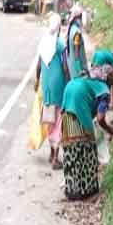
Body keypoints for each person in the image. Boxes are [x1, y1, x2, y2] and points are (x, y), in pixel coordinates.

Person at [60, 74, 113, 200]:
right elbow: (101, 118)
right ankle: (88, 191)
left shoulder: (89, 80)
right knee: (88, 152)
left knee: (71, 152)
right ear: (109, 83)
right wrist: (110, 130)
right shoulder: (105, 92)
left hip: (66, 111)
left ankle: (72, 192)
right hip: (79, 110)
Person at [34, 13, 69, 169]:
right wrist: (69, 82)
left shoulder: (43, 42)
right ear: (59, 26)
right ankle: (55, 158)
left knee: (49, 119)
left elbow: (39, 66)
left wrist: (37, 81)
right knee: (58, 121)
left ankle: (51, 153)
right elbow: (65, 66)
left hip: (46, 85)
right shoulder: (59, 43)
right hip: (58, 86)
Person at [66, 4, 88, 78]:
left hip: (72, 68)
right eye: (81, 16)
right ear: (78, 17)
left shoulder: (71, 28)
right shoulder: (77, 33)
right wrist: (80, 70)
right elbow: (76, 53)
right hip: (78, 71)